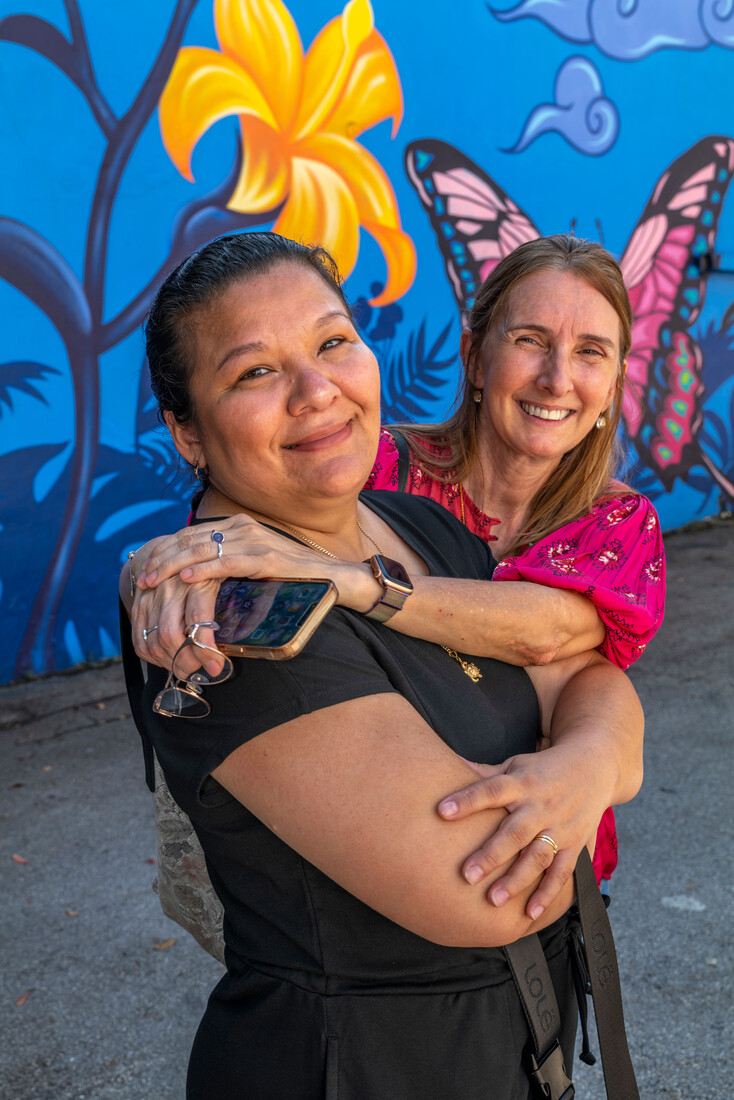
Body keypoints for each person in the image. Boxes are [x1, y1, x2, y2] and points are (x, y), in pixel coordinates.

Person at [121, 231, 643, 1097]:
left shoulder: (420, 524)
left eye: (332, 342)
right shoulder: (224, 624)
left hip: (508, 1047)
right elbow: (499, 892)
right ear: (187, 431)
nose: (317, 391)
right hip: (356, 1067)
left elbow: (588, 673)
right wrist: (594, 766)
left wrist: (587, 763)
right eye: (254, 372)